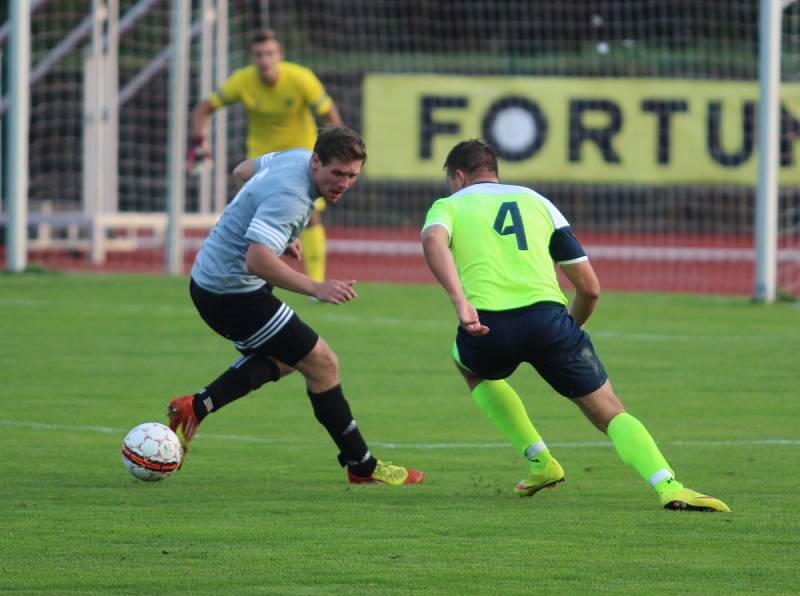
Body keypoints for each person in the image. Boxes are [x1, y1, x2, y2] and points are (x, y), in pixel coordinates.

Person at [420, 139, 729, 511]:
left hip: (489, 326)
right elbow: (590, 288)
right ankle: (669, 485)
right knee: (610, 410)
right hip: (551, 321)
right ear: (494, 172)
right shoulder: (538, 202)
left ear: (458, 176)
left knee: (467, 364)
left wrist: (460, 301)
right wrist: (568, 332)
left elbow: (432, 238)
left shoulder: (449, 205)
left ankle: (539, 460)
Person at [168, 126, 423, 486]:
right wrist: (315, 287)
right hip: (232, 293)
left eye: (352, 176)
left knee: (292, 358)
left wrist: (275, 233)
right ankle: (361, 465)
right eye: (337, 173)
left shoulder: (296, 158)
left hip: (216, 281)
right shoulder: (290, 196)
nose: (344, 183)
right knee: (323, 362)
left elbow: (243, 171)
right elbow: (257, 260)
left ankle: (196, 406)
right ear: (317, 161)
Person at [188, 28, 338, 283]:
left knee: (310, 215)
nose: (264, 60)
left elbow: (330, 114)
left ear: (279, 55)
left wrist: (336, 150)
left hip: (302, 156)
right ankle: (241, 275)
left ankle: (317, 280)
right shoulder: (242, 80)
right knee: (250, 213)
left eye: (269, 53)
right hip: (262, 158)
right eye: (259, 54)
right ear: (252, 58)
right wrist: (198, 144)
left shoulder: (301, 78)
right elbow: (204, 108)